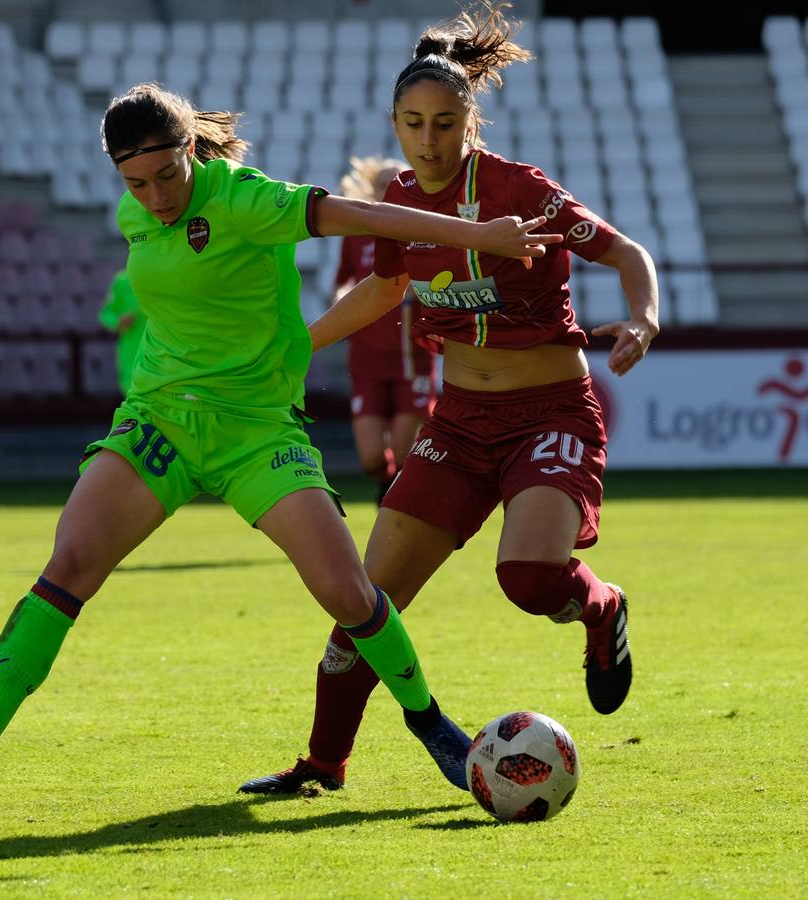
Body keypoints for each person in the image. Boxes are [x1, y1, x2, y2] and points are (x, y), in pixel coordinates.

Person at [0, 82, 560, 793]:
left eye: (165, 175)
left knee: (349, 592)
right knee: (70, 562)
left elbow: (362, 213)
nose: (154, 196)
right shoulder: (135, 213)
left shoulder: (247, 200)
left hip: (256, 430)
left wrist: (477, 234)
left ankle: (429, 723)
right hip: (162, 418)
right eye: (135, 182)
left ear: (191, 149)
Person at [238, 3, 659, 795]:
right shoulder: (399, 198)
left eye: (443, 122)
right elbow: (385, 287)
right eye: (411, 123)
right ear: (395, 124)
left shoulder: (519, 190)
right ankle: (323, 765)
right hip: (458, 424)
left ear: (473, 122)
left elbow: (627, 252)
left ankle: (601, 612)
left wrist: (644, 316)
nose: (427, 141)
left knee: (531, 580)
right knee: (364, 606)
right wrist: (298, 346)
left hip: (550, 414)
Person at [334, 156, 438, 503]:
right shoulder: (356, 236)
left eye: (396, 181)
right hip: (367, 359)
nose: (388, 189)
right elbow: (342, 282)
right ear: (371, 190)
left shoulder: (424, 231)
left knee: (404, 450)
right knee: (371, 457)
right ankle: (388, 489)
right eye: (382, 184)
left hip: (412, 358)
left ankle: (403, 502)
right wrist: (344, 296)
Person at [97, 268, 147, 394]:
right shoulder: (122, 281)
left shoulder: (163, 279)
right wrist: (118, 321)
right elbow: (106, 313)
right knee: (133, 394)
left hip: (161, 349)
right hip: (132, 351)